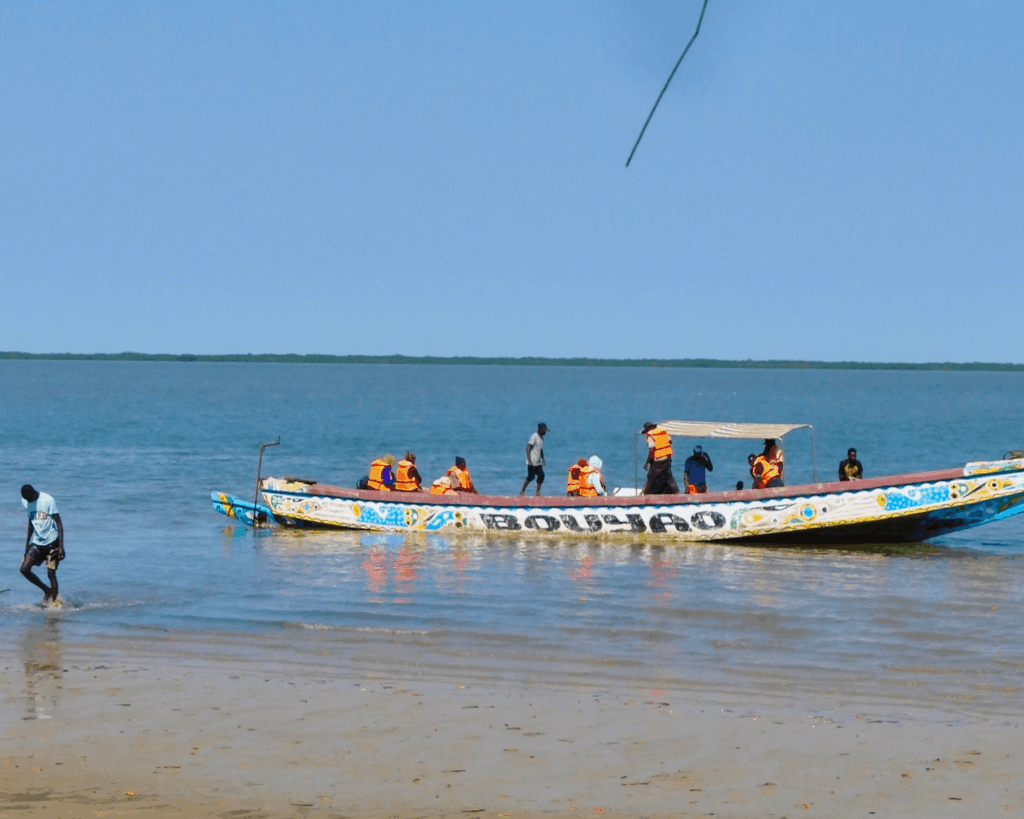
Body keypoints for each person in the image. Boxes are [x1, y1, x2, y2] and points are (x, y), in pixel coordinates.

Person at [20, 485, 64, 604]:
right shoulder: (25, 501)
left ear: (34, 494)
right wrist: (26, 549)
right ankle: (47, 590)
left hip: (52, 543)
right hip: (37, 543)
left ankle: (55, 603)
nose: (28, 502)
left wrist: (61, 547)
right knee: (24, 569)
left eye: (29, 500)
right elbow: (31, 523)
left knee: (51, 573)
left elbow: (59, 523)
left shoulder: (48, 500)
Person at [641, 421, 680, 495]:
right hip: (667, 457)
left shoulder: (650, 435)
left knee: (651, 476)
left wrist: (647, 462)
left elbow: (652, 448)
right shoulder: (662, 431)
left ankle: (647, 494)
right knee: (668, 475)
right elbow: (670, 441)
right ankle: (676, 492)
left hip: (658, 459)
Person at [520, 422, 548, 496]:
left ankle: (537, 492)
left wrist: (543, 458)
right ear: (540, 429)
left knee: (541, 475)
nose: (545, 432)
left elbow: (540, 449)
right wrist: (529, 459)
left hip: (538, 462)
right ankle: (522, 491)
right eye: (544, 430)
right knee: (531, 477)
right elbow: (528, 447)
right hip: (532, 461)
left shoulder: (541, 438)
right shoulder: (534, 436)